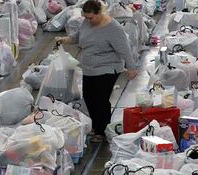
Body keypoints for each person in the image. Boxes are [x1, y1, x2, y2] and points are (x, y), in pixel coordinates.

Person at [57, 0, 138, 142]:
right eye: (86, 17)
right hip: (89, 68)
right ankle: (96, 125)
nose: (88, 20)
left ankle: (101, 131)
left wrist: (131, 68)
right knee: (89, 97)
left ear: (100, 12)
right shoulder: (87, 23)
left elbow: (125, 49)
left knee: (100, 99)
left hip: (108, 68)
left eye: (91, 17)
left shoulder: (113, 28)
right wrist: (64, 39)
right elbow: (77, 37)